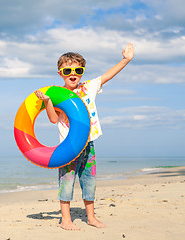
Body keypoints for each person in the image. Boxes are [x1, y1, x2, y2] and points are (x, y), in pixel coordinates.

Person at [34, 43, 135, 230]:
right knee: (67, 183)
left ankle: (91, 217)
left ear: (82, 72)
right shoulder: (58, 95)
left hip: (88, 145)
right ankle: (65, 220)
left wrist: (126, 59)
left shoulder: (88, 88)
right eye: (67, 70)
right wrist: (48, 101)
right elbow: (53, 119)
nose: (73, 73)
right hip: (68, 147)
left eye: (78, 69)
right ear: (60, 73)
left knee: (90, 182)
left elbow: (107, 75)